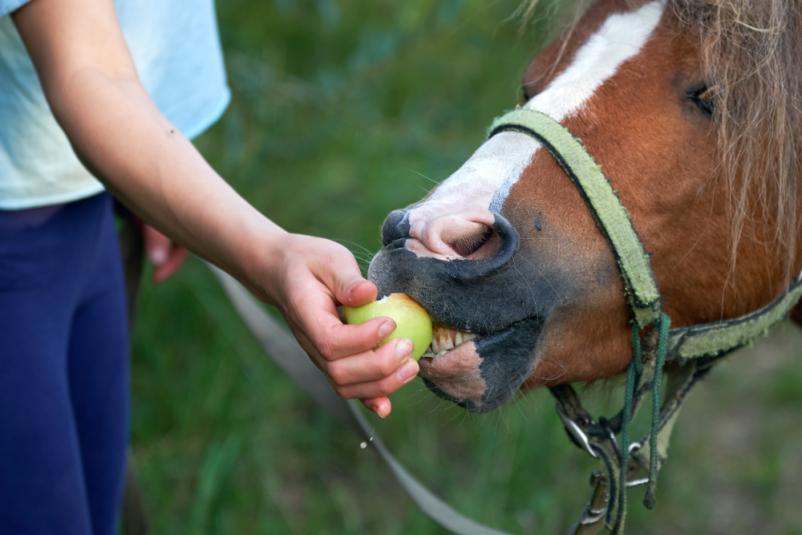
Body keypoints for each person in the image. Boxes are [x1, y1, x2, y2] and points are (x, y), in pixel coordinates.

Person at [0, 0, 420, 533]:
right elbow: (88, 70)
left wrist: (156, 174)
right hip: (16, 236)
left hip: (82, 198)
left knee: (92, 505)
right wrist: (273, 257)